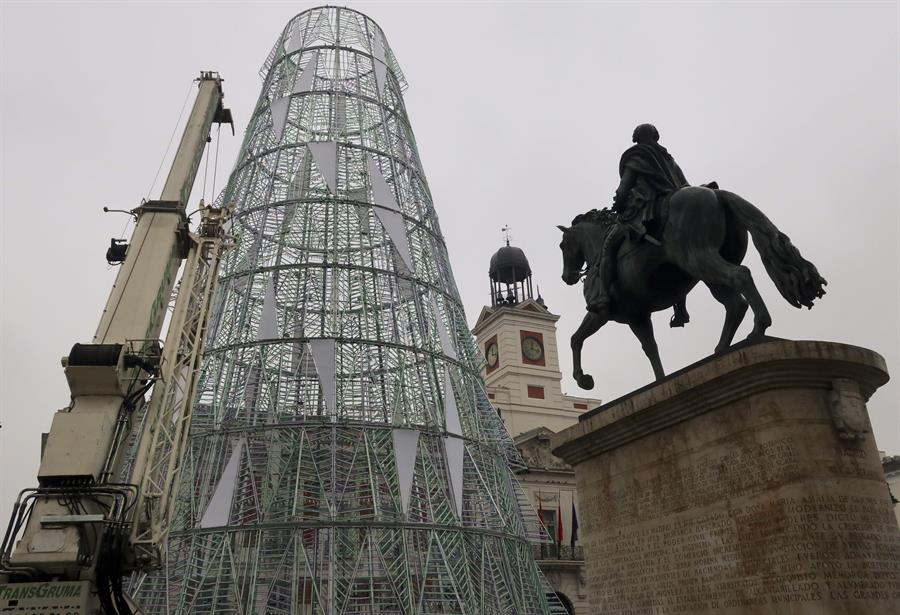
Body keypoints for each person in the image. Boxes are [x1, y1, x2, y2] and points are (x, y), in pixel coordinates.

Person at [587, 124, 689, 318]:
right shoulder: (669, 159)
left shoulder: (636, 156)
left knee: (607, 249)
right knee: (683, 251)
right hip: (671, 203)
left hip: (645, 208)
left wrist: (618, 204)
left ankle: (602, 296)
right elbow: (684, 185)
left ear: (637, 138)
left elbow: (624, 187)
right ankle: (680, 309)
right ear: (655, 136)